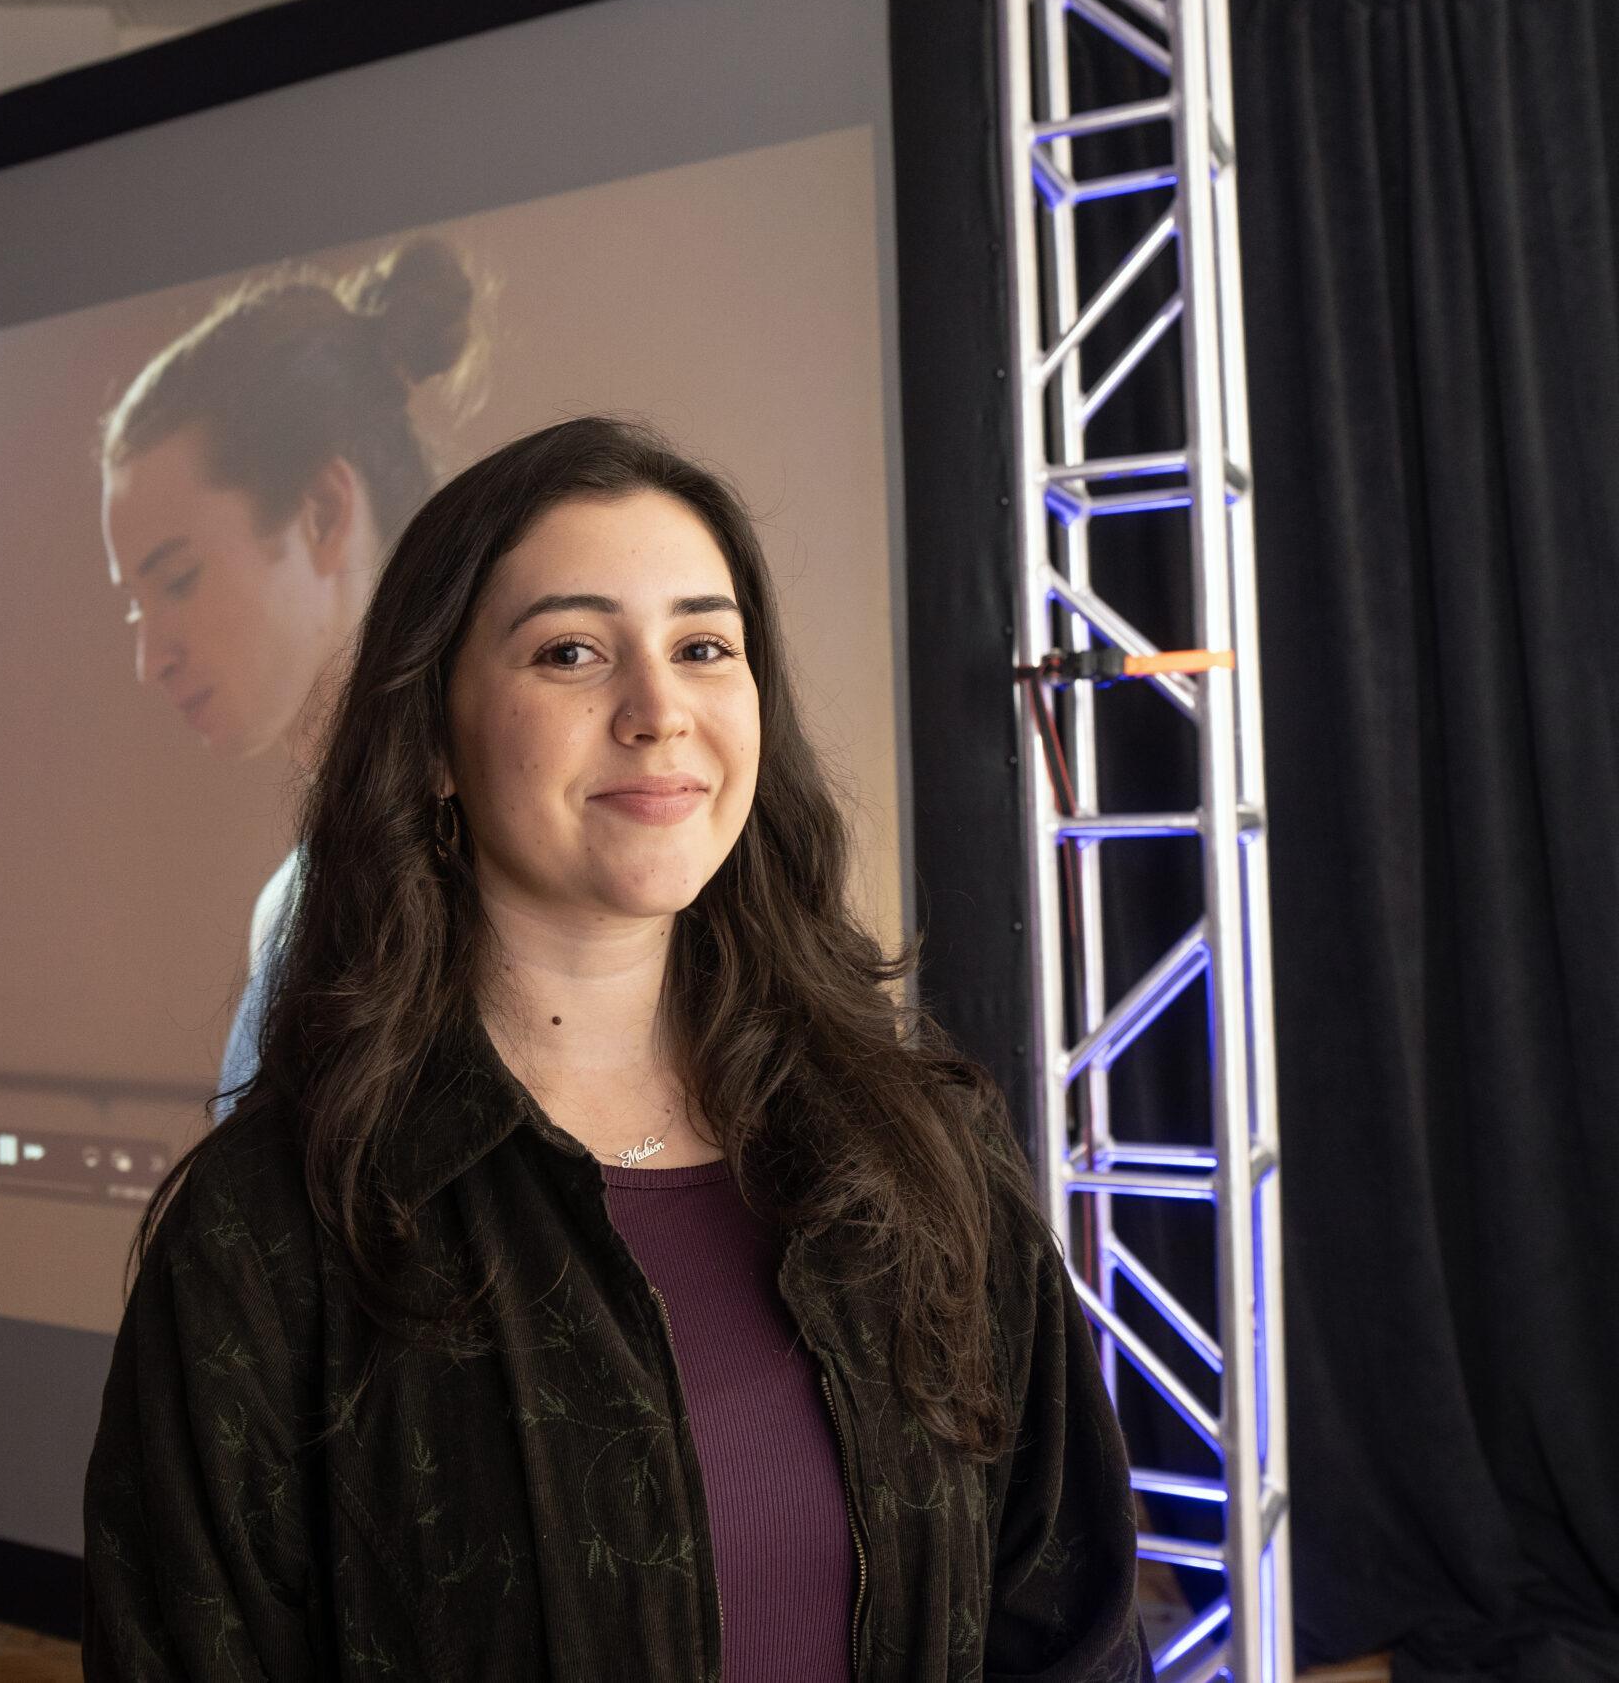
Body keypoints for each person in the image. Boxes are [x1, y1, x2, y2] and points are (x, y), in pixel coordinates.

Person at [82, 418, 1149, 1681]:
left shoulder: (928, 1149)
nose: (658, 712)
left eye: (704, 647)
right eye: (572, 652)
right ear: (431, 740)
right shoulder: (267, 1233)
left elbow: (1063, 1626)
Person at [95, 236, 484, 1115]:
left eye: (180, 579)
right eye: (134, 603)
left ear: (324, 512)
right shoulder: (294, 901)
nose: (151, 657)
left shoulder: (516, 858)